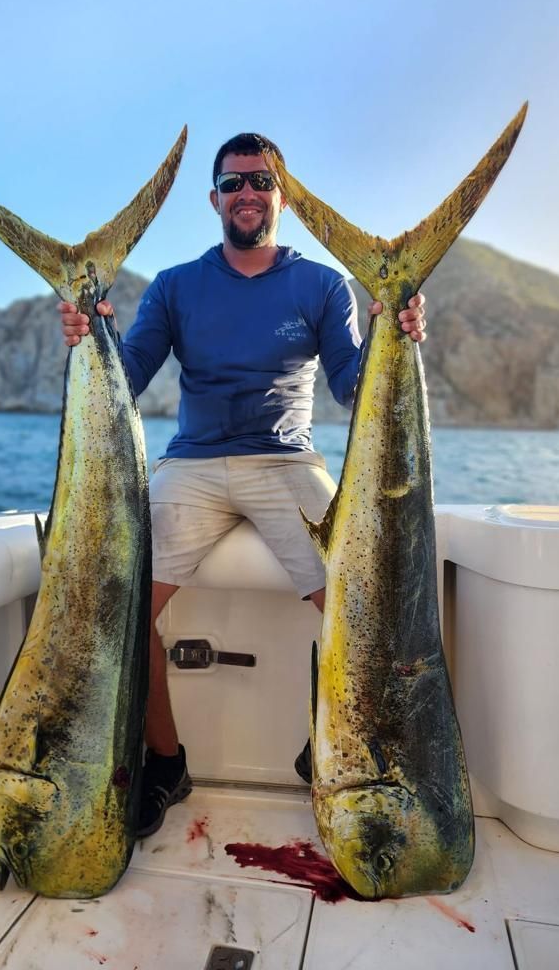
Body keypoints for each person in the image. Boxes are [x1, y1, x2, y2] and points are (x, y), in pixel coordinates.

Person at [59, 133, 427, 837]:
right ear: (214, 199)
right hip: (191, 468)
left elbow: (352, 386)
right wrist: (88, 337)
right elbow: (127, 379)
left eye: (260, 181)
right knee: (119, 614)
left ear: (281, 197)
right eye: (233, 183)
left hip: (286, 463)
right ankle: (166, 762)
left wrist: (398, 337)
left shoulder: (321, 285)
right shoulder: (175, 286)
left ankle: (328, 750)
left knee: (367, 613)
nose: (247, 193)